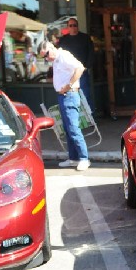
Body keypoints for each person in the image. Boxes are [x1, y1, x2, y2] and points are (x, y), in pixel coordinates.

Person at [38, 40, 90, 171]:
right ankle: (73, 158)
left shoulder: (64, 55)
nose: (46, 58)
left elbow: (80, 67)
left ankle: (84, 158)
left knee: (73, 128)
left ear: (51, 47)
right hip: (64, 95)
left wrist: (69, 85)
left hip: (69, 95)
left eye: (46, 54)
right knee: (68, 129)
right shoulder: (56, 60)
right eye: (44, 57)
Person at [58, 17, 95, 115]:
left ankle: (90, 116)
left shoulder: (85, 38)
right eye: (71, 25)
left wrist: (87, 66)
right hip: (68, 73)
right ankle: (76, 116)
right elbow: (59, 55)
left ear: (77, 26)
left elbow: (91, 52)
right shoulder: (63, 40)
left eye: (75, 25)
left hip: (81, 71)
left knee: (85, 94)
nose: (73, 27)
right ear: (67, 27)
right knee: (70, 95)